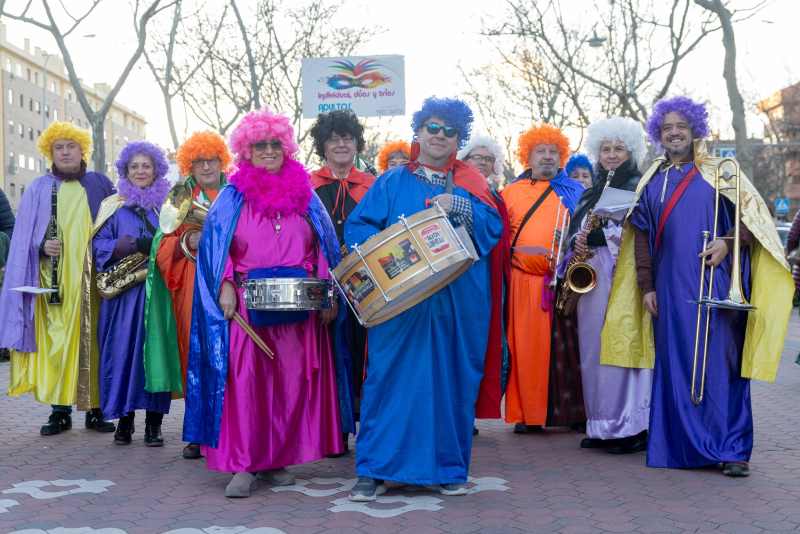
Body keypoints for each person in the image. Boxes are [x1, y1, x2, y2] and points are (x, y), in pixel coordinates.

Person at [601, 96, 793, 476]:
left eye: (681, 127)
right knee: (675, 366)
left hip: (717, 284)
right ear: (659, 132)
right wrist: (647, 286)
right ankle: (682, 448)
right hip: (668, 289)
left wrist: (728, 241)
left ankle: (733, 449)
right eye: (667, 127)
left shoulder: (722, 170)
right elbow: (641, 236)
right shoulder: (652, 178)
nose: (674, 133)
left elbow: (757, 221)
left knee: (723, 366)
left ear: (694, 131)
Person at [183, 109, 353, 498]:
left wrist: (327, 293)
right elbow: (215, 247)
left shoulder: (306, 194)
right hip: (246, 306)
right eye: (260, 146)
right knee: (245, 383)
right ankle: (245, 464)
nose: (269, 151)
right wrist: (224, 286)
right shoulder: (231, 197)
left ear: (286, 147)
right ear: (246, 150)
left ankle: (277, 459)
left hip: (300, 306)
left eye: (275, 144)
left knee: (290, 382)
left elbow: (324, 246)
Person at [345, 96, 503, 501]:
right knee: (388, 379)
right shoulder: (391, 181)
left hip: (457, 303)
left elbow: (493, 229)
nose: (440, 136)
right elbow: (359, 228)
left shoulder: (472, 181)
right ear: (418, 132)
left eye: (449, 131)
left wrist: (465, 207)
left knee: (450, 380)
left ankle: (447, 468)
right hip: (401, 305)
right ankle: (374, 470)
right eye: (432, 127)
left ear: (458, 139)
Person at [0, 121, 115, 435]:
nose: (65, 152)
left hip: (93, 281)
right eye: (58, 148)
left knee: (93, 342)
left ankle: (95, 409)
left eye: (71, 146)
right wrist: (40, 245)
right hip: (53, 281)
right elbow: (22, 237)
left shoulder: (99, 184)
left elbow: (116, 226)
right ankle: (59, 411)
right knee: (57, 342)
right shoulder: (39, 187)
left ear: (82, 150)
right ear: (50, 152)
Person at [142, 131, 231, 459]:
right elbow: (161, 244)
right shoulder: (180, 197)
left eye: (212, 160)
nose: (206, 166)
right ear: (189, 165)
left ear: (222, 162)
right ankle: (197, 432)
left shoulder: (235, 193)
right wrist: (185, 243)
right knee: (194, 359)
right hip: (191, 287)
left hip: (228, 284)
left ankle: (229, 428)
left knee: (231, 360)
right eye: (199, 162)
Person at [566, 117, 651, 454]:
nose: (612, 154)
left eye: (618, 148)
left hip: (623, 279)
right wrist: (579, 241)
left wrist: (608, 236)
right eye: (606, 148)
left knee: (621, 348)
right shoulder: (589, 193)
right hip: (592, 280)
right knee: (593, 352)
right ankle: (600, 424)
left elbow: (643, 234)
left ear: (630, 151)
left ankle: (629, 427)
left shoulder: (640, 186)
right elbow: (573, 233)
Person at [502, 124, 585, 434]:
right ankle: (527, 414)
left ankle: (572, 412)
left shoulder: (575, 191)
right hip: (523, 281)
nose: (548, 157)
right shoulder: (509, 192)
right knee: (525, 350)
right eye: (541, 151)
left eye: (554, 152)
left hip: (566, 282)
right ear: (528, 155)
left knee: (568, 350)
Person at [91, 141, 172, 446]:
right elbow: (97, 246)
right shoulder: (112, 204)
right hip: (122, 298)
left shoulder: (167, 207)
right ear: (125, 170)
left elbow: (178, 247)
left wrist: (160, 246)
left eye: (146, 166)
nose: (140, 171)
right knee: (122, 355)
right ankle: (124, 422)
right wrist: (122, 245)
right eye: (134, 166)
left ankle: (154, 425)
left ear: (156, 170)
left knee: (155, 356)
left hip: (157, 295)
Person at [308, 110, 372, 448]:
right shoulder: (308, 187)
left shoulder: (373, 186)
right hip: (323, 283)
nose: (342, 144)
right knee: (329, 355)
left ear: (356, 143)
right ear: (323, 146)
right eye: (334, 139)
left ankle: (367, 426)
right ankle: (335, 431)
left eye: (347, 138)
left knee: (363, 353)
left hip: (364, 284)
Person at [458, 133, 512, 430]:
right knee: (467, 344)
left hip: (494, 278)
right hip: (468, 278)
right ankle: (461, 410)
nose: (483, 163)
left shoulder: (495, 195)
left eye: (488, 159)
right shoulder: (459, 189)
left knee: (489, 346)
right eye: (477, 157)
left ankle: (471, 408)